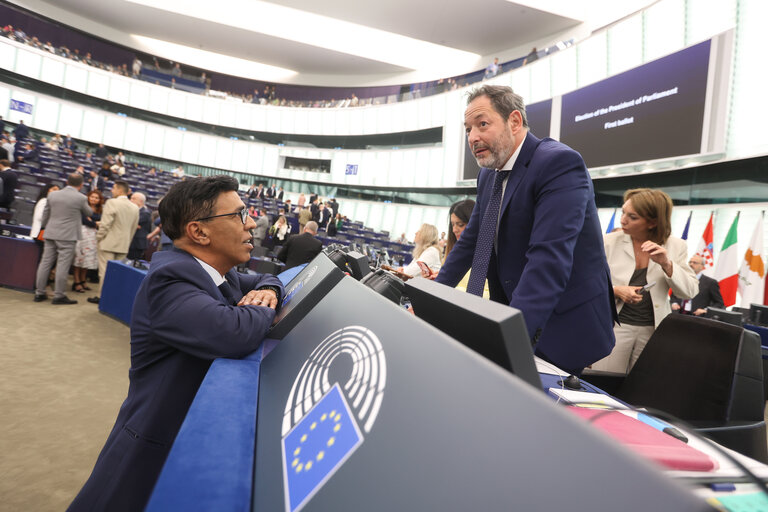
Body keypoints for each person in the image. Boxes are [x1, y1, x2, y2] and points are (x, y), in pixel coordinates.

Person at [69, 175, 283, 511]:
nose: (252, 223)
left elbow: (267, 278)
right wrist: (264, 305)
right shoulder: (171, 279)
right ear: (199, 232)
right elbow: (233, 333)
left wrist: (268, 291)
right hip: (148, 450)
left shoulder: (218, 272)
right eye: (239, 215)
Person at [436, 85, 616, 373]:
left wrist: (507, 337)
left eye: (482, 124)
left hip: (562, 323)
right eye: (468, 129)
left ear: (514, 121)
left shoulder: (558, 163)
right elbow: (473, 243)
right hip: (514, 311)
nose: (473, 137)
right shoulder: (487, 176)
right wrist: (431, 300)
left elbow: (548, 260)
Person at [592, 188, 699, 374]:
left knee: (641, 389)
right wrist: (616, 290)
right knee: (604, 383)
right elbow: (587, 283)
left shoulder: (676, 246)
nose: (623, 220)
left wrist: (667, 264)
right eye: (623, 212)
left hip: (654, 331)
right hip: (614, 326)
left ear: (653, 222)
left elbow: (689, 291)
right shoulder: (608, 242)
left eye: (632, 217)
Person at [34, 173, 93, 304]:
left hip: (50, 232)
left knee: (45, 263)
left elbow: (46, 214)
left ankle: (39, 293)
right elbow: (89, 213)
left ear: (67, 182)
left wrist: (44, 228)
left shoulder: (53, 194)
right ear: (81, 185)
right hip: (68, 235)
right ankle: (59, 295)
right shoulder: (81, 197)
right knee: (62, 265)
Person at [88, 181, 140, 304]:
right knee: (118, 274)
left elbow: (105, 225)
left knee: (105, 272)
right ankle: (113, 298)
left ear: (120, 191)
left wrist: (98, 238)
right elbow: (133, 229)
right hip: (123, 245)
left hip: (108, 243)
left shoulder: (112, 203)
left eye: (114, 188)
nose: (112, 190)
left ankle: (102, 297)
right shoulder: (134, 207)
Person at [72, 190, 104, 293]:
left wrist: (92, 221)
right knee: (79, 258)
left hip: (93, 236)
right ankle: (76, 282)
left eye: (96, 198)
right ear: (88, 197)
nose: (94, 199)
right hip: (82, 234)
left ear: (99, 200)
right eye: (92, 197)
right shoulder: (83, 207)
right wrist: (95, 222)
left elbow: (101, 221)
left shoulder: (100, 210)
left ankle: (83, 280)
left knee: (87, 259)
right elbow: (85, 221)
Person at [29, 183, 60, 257]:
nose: (56, 192)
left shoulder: (50, 202)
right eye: (54, 189)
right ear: (48, 190)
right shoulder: (44, 201)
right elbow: (40, 217)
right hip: (39, 233)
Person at [127, 192, 153, 261]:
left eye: (133, 198)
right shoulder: (132, 211)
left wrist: (133, 224)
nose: (130, 200)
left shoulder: (145, 213)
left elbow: (130, 222)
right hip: (131, 242)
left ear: (140, 201)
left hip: (137, 244)